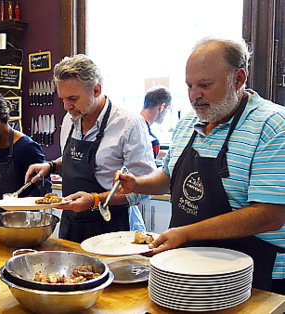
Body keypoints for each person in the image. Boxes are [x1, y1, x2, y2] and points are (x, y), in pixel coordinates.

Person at [117, 37, 285, 292]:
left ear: (238, 79)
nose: (195, 96)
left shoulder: (272, 126)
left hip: (254, 274)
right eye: (190, 85)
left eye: (205, 85)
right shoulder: (188, 124)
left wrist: (185, 233)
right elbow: (168, 176)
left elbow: (269, 215)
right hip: (187, 265)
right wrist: (137, 184)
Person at [25, 54, 156, 243]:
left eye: (73, 98)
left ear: (96, 90)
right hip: (72, 226)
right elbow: (76, 162)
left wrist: (95, 200)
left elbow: (144, 190)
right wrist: (52, 166)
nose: (66, 106)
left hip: (112, 228)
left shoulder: (129, 125)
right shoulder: (70, 120)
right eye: (62, 99)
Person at [140, 86, 172, 158]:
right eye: (168, 109)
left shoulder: (140, 125)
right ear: (162, 107)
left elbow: (146, 153)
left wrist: (167, 154)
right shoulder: (140, 129)